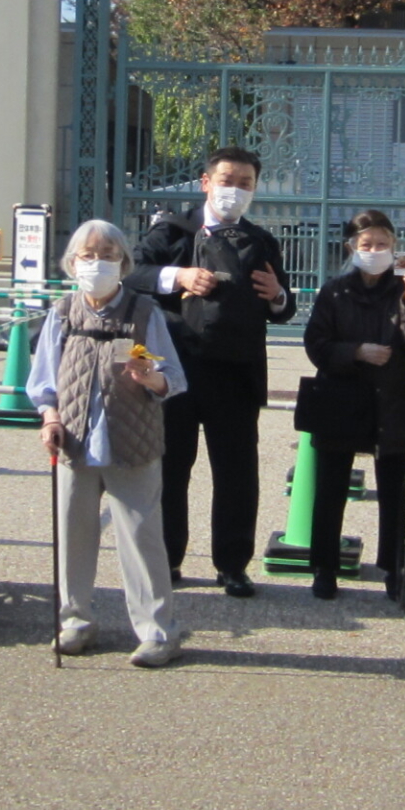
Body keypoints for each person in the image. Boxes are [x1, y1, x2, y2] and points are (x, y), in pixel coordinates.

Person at [134, 145, 297, 598]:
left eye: (245, 183)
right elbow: (135, 271)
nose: (235, 191)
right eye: (227, 180)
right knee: (172, 468)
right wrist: (180, 277)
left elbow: (284, 308)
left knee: (237, 472)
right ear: (206, 182)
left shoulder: (261, 240)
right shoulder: (174, 229)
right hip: (177, 368)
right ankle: (167, 558)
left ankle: (232, 565)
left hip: (238, 371)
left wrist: (278, 296)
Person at [31, 219, 188, 667]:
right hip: (75, 441)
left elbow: (172, 378)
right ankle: (75, 621)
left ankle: (158, 632)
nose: (97, 264)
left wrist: (150, 377)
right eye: (88, 255)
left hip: (132, 440)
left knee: (141, 536)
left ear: (123, 262)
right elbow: (44, 380)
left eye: (108, 255)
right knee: (72, 534)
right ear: (72, 263)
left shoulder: (142, 314)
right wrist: (51, 417)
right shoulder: (62, 313)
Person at [296, 210, 405, 603]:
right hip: (341, 398)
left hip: (390, 400)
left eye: (382, 244)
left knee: (396, 491)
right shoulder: (335, 291)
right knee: (330, 487)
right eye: (366, 245)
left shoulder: (403, 288)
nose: (374, 251)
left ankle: (395, 569)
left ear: (395, 248)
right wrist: (356, 352)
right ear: (352, 248)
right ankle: (324, 568)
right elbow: (317, 344)